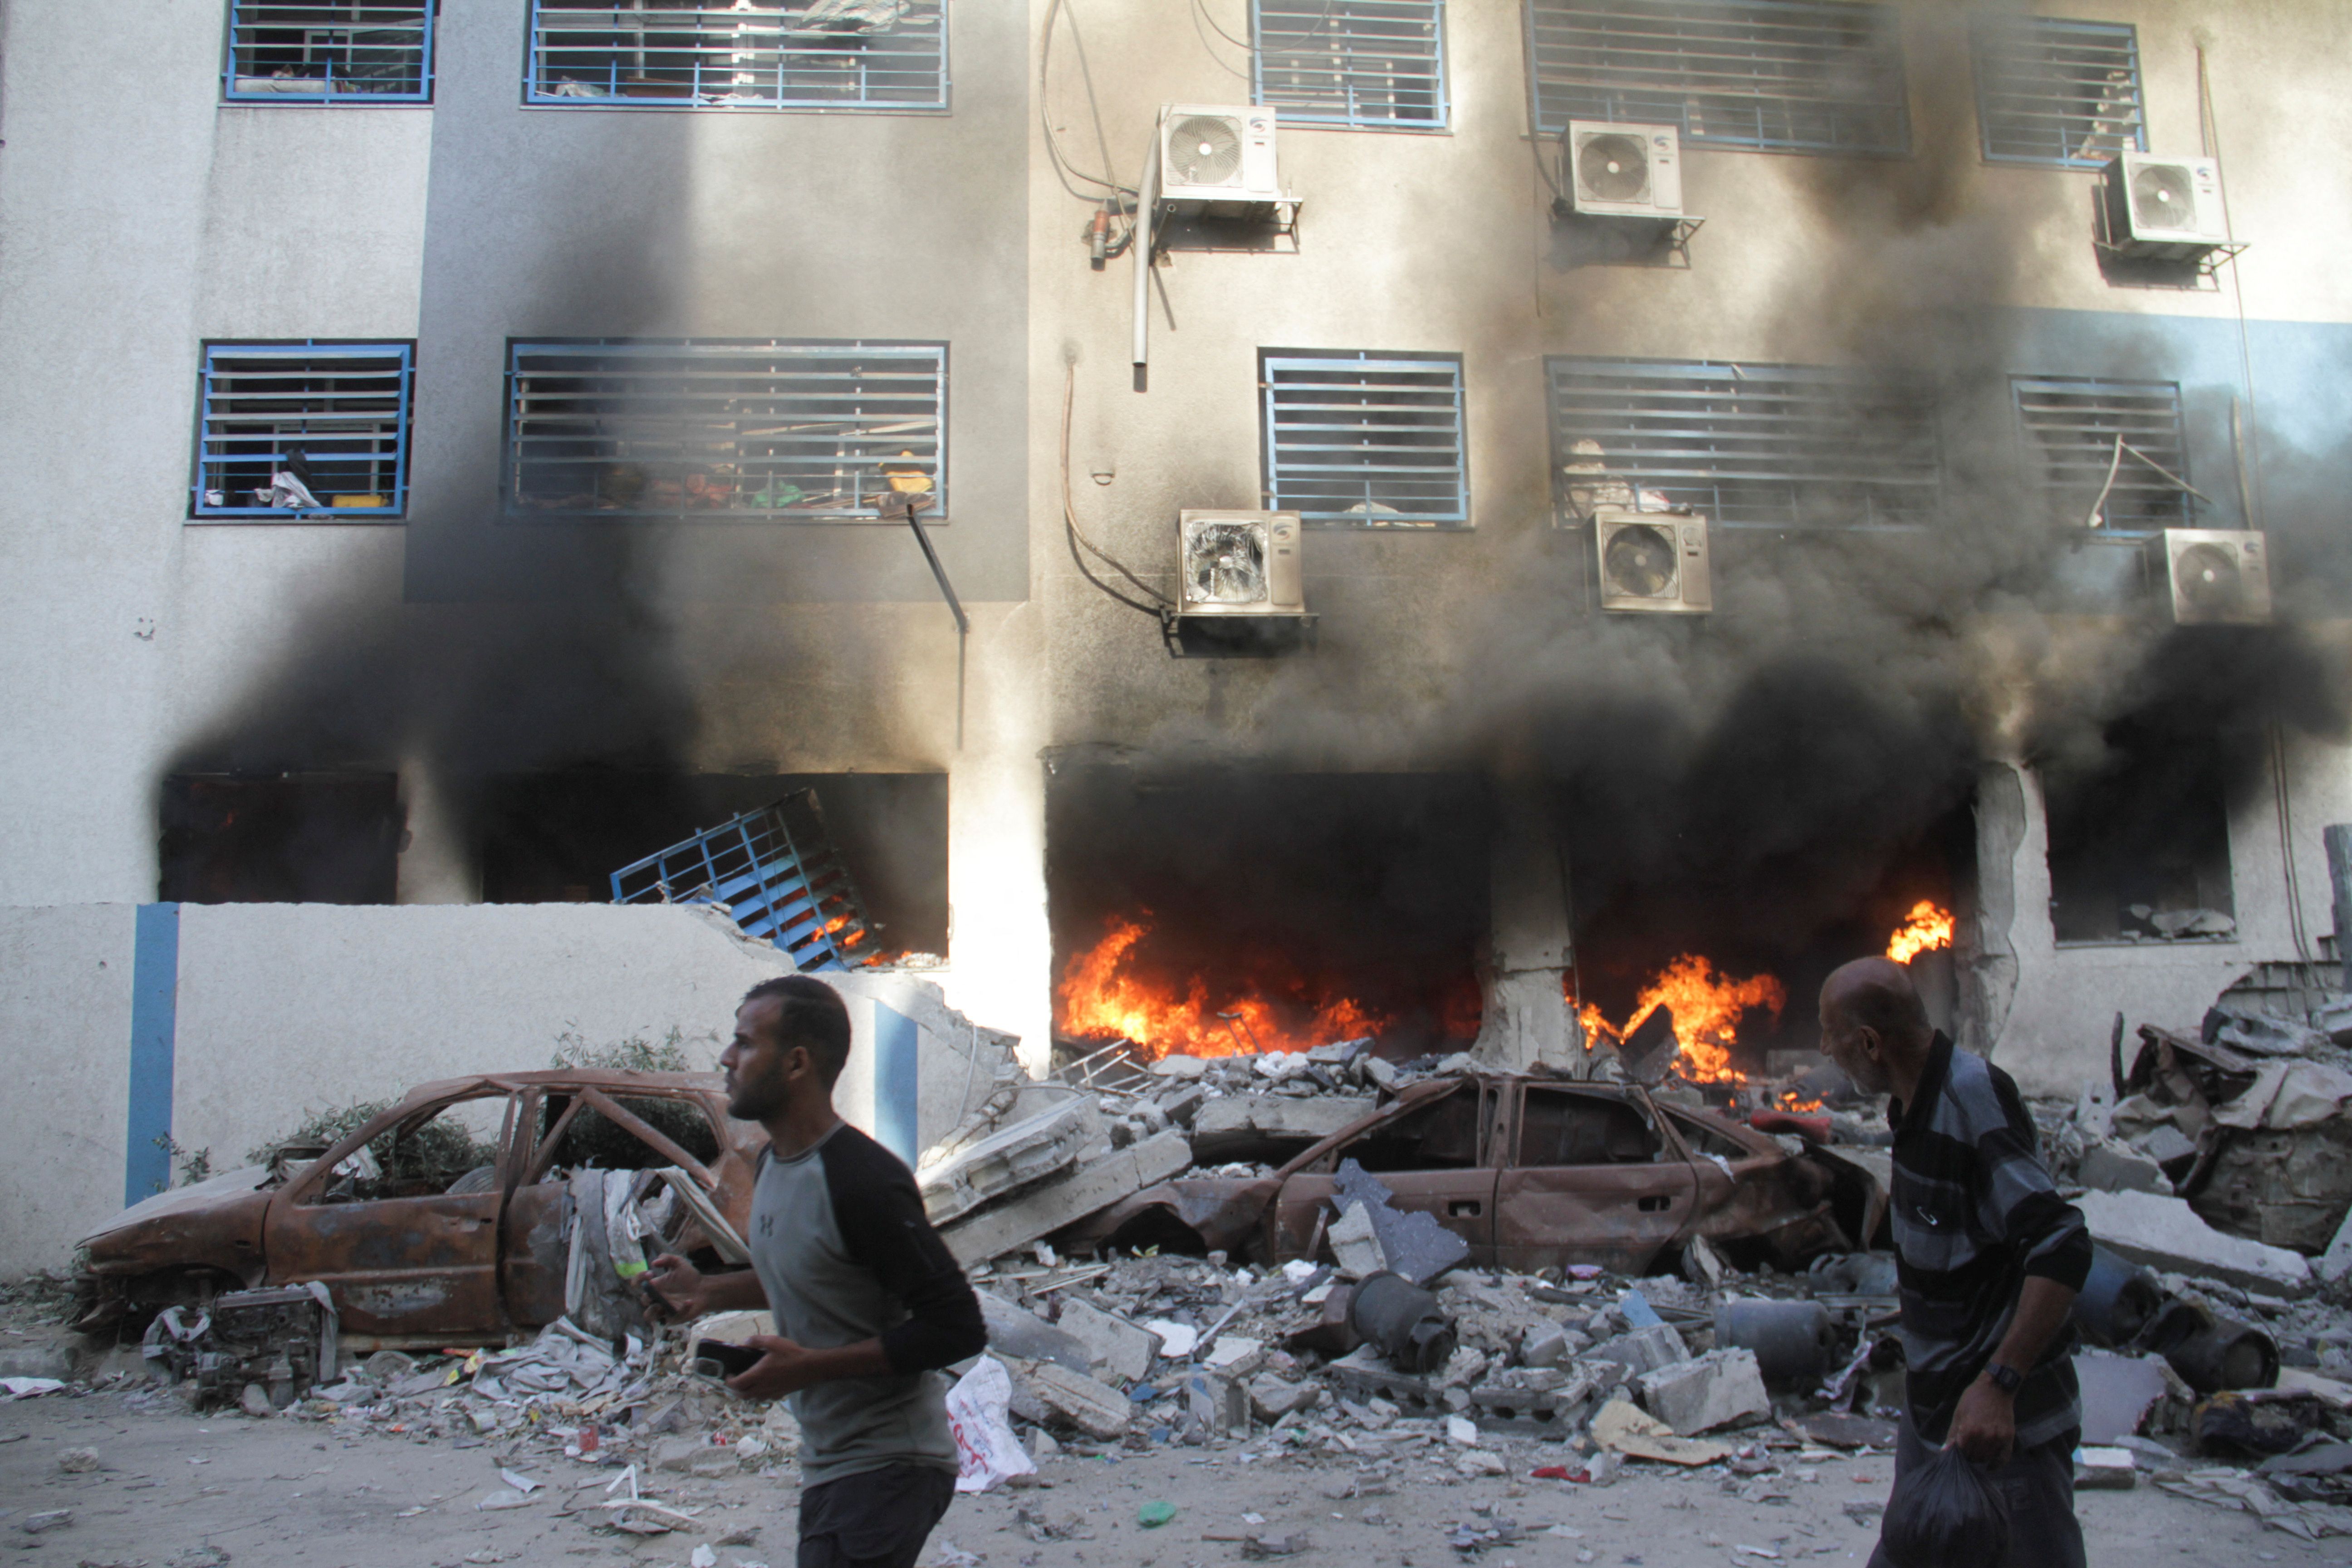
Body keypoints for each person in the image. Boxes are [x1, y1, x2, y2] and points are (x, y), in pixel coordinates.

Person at [647, 976, 986, 1568]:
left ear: (797, 1063)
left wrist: (809, 1369)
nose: (727, 1057)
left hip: (891, 1463)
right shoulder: (773, 1165)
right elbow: (811, 1269)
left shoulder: (863, 1180)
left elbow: (958, 1326)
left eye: (745, 1043)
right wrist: (707, 1292)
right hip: (830, 1464)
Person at [1816, 957, 2093, 1568]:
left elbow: (2061, 1245)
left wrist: (2000, 1385)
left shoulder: (1971, 1097)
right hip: (1937, 1413)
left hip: (2004, 1426)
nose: (1824, 1049)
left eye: (1829, 1034)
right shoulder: (1911, 1105)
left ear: (1869, 1042)